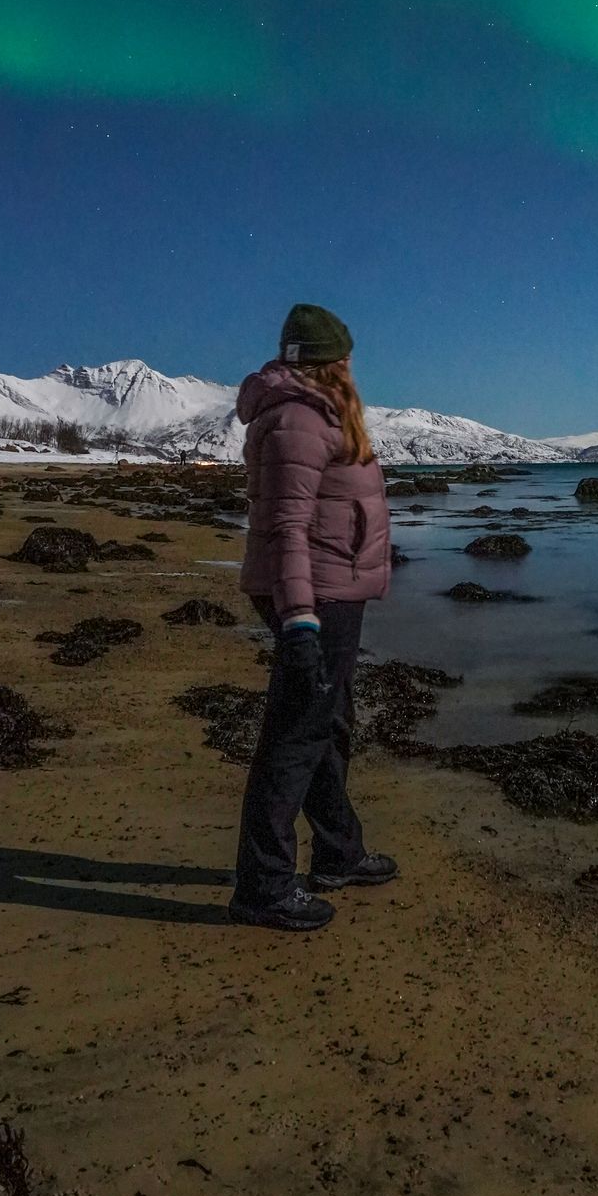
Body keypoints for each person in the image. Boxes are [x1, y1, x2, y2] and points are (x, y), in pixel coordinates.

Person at [231, 303, 395, 933]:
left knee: (329, 724)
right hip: (314, 595)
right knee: (297, 734)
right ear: (334, 363)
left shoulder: (316, 412)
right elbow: (286, 529)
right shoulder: (300, 417)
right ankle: (264, 886)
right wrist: (300, 619)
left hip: (331, 589)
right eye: (348, 358)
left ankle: (338, 851)